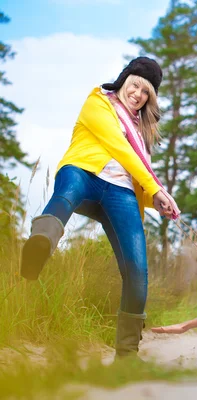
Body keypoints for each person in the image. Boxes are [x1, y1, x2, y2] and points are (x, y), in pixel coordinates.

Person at [20, 57, 180, 358]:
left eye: (146, 92)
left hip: (120, 195)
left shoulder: (141, 133)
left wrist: (155, 199)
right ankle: (39, 245)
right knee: (67, 192)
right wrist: (156, 186)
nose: (138, 94)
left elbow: (133, 177)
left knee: (137, 270)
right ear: (123, 81)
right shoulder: (98, 102)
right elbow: (117, 148)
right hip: (84, 174)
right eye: (135, 85)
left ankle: (127, 354)